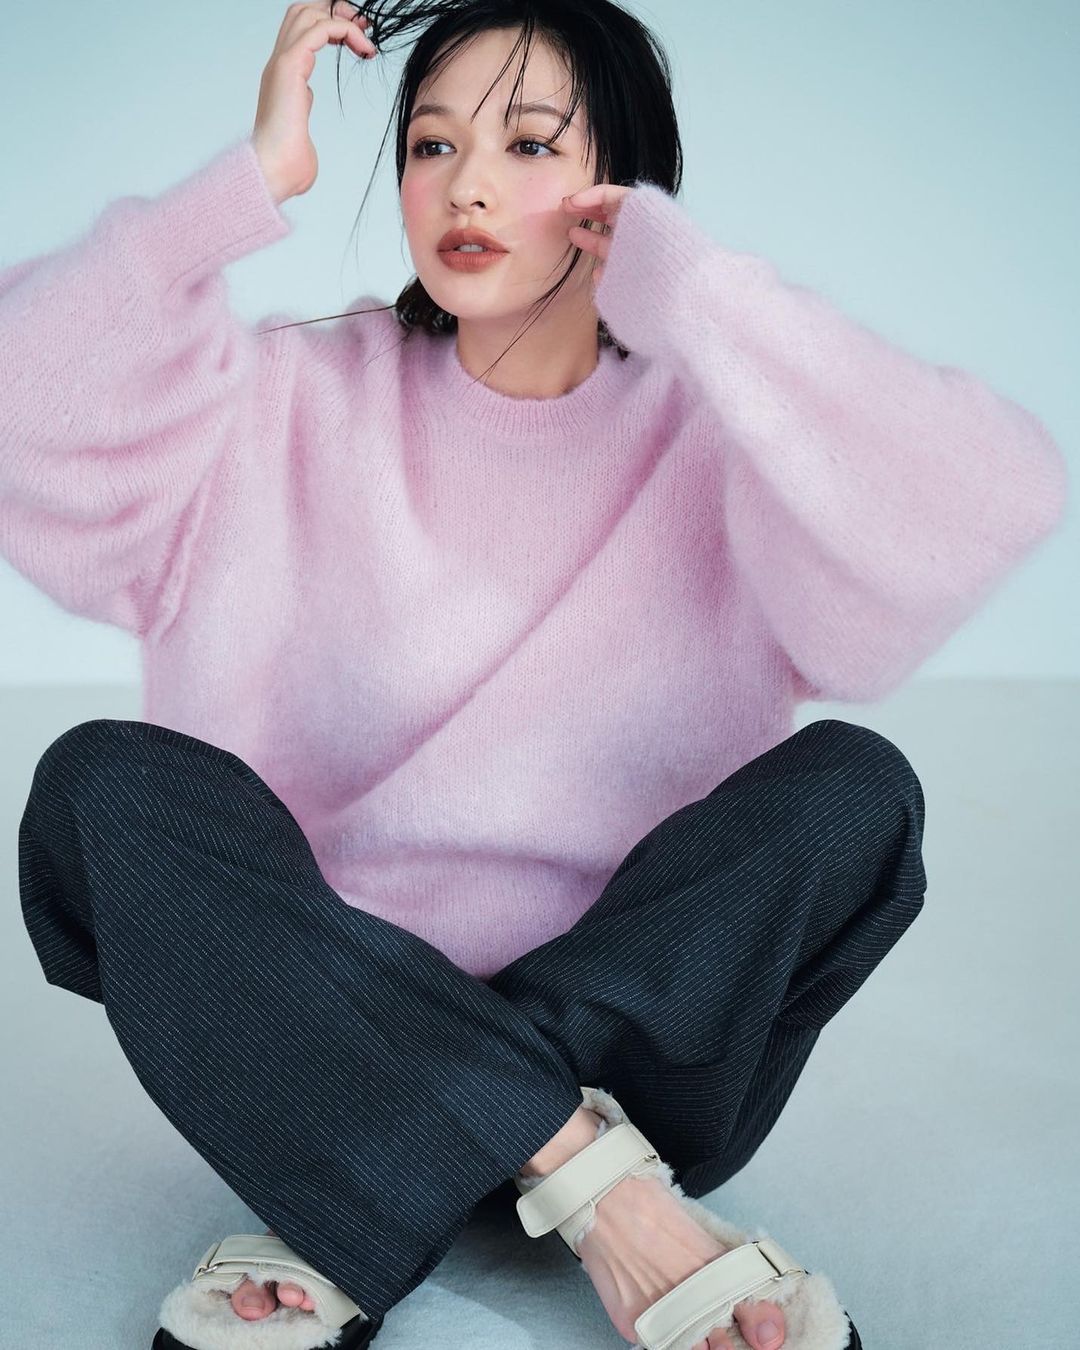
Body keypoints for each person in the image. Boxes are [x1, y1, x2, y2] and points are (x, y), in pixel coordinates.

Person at [4, 2, 1066, 1348]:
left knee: (859, 788)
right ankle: (598, 1192)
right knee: (99, 787)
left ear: (619, 186)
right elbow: (19, 399)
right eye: (432, 145)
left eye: (527, 143)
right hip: (321, 1039)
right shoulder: (281, 397)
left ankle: (364, 1190)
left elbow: (994, 497)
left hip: (635, 1061)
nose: (468, 186)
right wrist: (243, 184)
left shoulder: (725, 430)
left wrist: (707, 296)